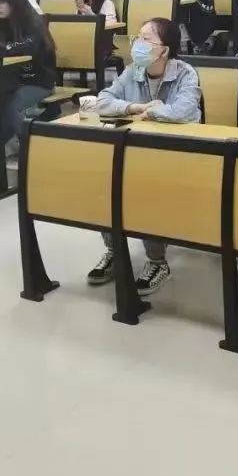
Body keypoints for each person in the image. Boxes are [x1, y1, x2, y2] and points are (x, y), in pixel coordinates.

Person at [90, 17, 201, 295]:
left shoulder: (185, 73)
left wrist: (153, 111)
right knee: (107, 182)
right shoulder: (133, 71)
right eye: (137, 37)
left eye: (146, 39)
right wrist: (133, 107)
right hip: (137, 151)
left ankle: (157, 262)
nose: (137, 44)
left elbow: (185, 111)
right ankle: (114, 250)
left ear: (164, 50)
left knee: (147, 188)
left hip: (177, 155)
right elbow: (102, 100)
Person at [0, 0, 57, 148]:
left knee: (12, 104)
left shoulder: (32, 22)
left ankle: (29, 147)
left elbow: (29, 48)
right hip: (14, 80)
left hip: (39, 81)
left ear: (14, 1)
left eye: (2, 2)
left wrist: (6, 48)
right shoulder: (0, 22)